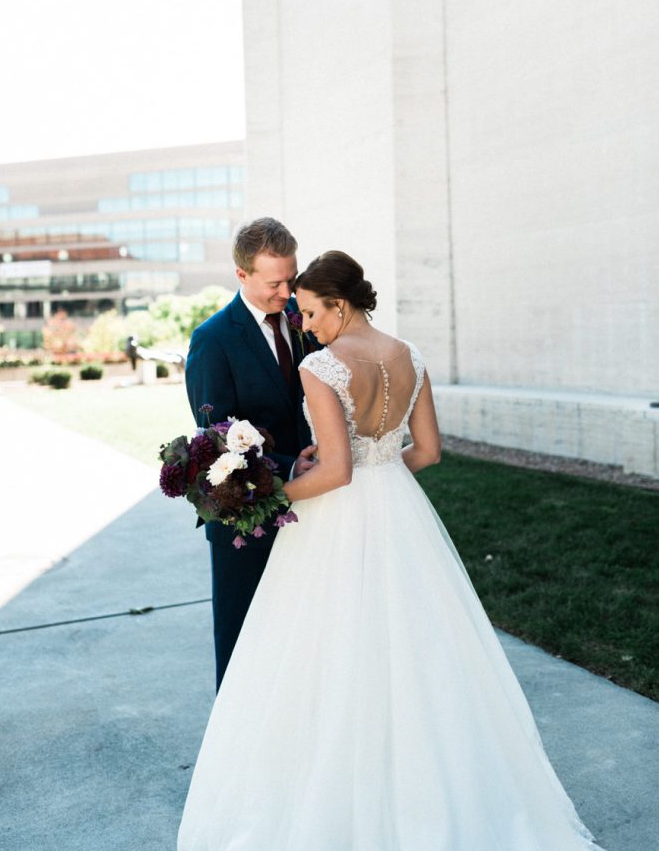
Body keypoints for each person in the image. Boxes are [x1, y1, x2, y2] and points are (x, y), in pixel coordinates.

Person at [178, 251, 607, 851]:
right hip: (400, 511)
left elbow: (337, 473)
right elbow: (428, 452)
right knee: (416, 652)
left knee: (330, 652)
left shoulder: (323, 367)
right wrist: (383, 472)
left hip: (338, 522)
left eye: (309, 312)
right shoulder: (411, 354)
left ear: (339, 303)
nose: (305, 325)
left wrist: (271, 501)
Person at [185, 217, 318, 690]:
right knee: (244, 645)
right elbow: (217, 438)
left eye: (291, 278)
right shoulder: (213, 339)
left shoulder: (306, 322)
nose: (287, 292)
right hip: (245, 517)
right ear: (242, 275)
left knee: (301, 640)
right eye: (274, 282)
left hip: (312, 507)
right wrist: (288, 466)